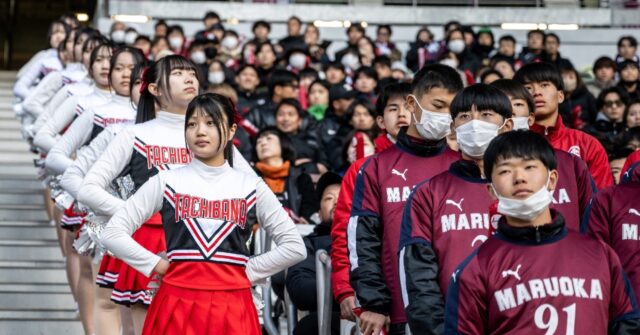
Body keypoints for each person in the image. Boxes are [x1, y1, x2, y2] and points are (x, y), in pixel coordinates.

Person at [99, 93, 305, 335]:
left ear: (230, 132)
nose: (200, 131)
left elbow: (294, 246)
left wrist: (248, 270)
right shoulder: (166, 181)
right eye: (192, 124)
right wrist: (157, 265)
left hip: (233, 305)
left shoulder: (251, 186)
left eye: (210, 123)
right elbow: (112, 232)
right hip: (175, 303)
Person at [444, 130, 640, 334]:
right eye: (505, 171)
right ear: (491, 190)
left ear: (553, 179)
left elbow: (625, 323)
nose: (519, 178)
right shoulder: (476, 269)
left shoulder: (600, 254)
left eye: (529, 167)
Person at [348, 64, 462, 334]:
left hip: (459, 308)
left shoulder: (462, 166)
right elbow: (363, 240)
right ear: (412, 103)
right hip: (397, 310)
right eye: (437, 105)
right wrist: (374, 304)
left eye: (452, 109)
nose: (445, 115)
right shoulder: (376, 168)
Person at [399, 84, 513, 334]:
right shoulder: (428, 193)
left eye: (485, 115)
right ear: (453, 128)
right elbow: (418, 276)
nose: (474, 124)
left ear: (507, 126)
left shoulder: (524, 191)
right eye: (464, 116)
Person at [491, 78, 595, 228]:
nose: (511, 111)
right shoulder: (474, 169)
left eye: (518, 104)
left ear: (531, 117)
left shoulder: (570, 163)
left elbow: (592, 221)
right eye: (501, 105)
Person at [514, 62, 614, 189]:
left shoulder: (587, 145)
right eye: (528, 88)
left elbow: (601, 201)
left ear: (560, 96)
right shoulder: (507, 146)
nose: (536, 92)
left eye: (544, 85)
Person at [286, 172, 343, 335]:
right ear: (319, 212)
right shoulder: (309, 244)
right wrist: (346, 290)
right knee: (309, 326)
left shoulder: (369, 238)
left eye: (343, 196)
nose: (337, 201)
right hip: (330, 319)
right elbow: (300, 289)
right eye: (329, 198)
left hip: (375, 314)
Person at [34, 41, 113, 154]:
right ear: (90, 67)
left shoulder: (134, 106)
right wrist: (70, 158)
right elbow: (41, 135)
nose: (105, 66)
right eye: (99, 60)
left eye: (110, 60)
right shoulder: (77, 99)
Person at [253, 126, 318, 223]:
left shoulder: (301, 177)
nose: (263, 143)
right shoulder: (250, 178)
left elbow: (309, 212)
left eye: (269, 138)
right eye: (258, 142)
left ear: (283, 143)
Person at [274, 99, 327, 174]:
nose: (285, 119)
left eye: (290, 114)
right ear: (275, 119)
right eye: (281, 114)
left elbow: (324, 165)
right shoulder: (272, 140)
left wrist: (314, 166)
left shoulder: (312, 139)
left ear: (300, 120)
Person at [584, 87, 629, 153]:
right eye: (609, 104)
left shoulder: (633, 128)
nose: (614, 107)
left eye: (618, 102)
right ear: (601, 108)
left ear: (625, 106)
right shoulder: (590, 132)